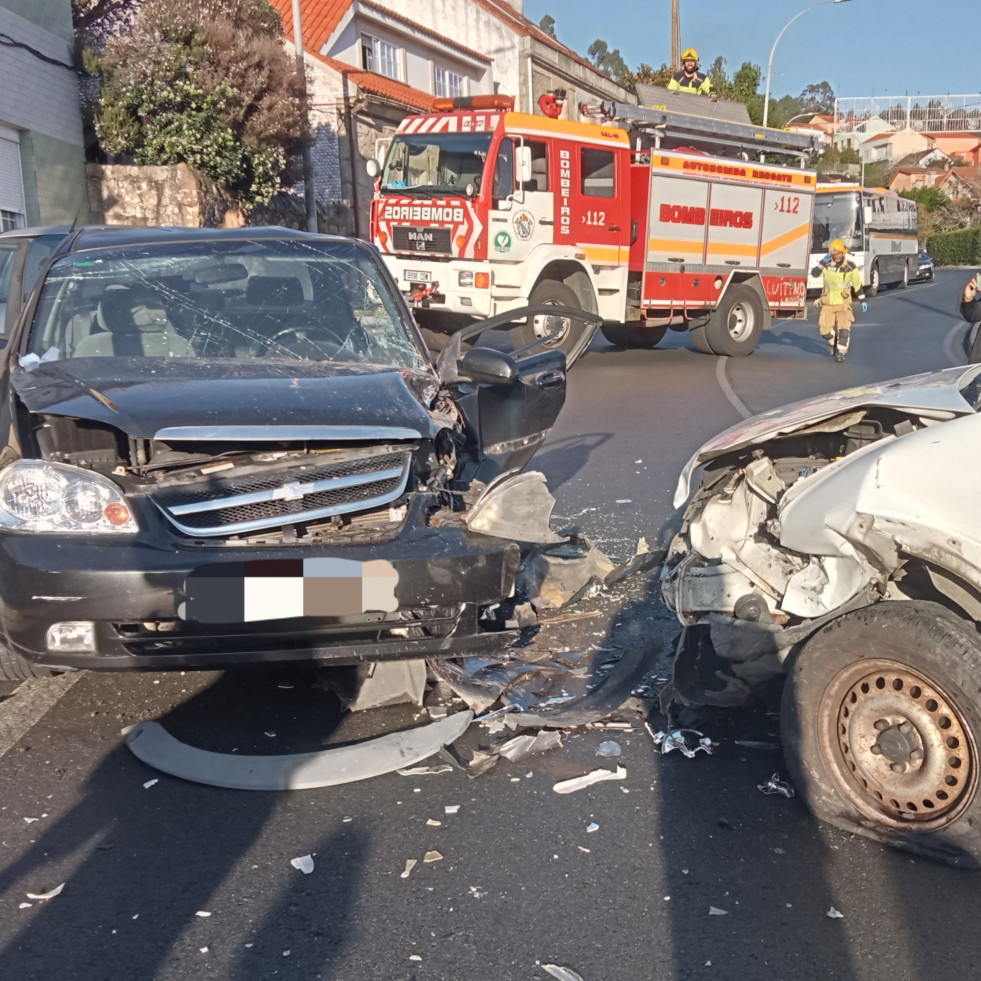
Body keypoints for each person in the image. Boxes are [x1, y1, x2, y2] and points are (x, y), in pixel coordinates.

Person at [813, 238, 866, 363]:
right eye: (834, 254)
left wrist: (862, 300)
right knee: (824, 331)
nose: (836, 256)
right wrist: (821, 263)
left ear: (843, 253)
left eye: (838, 254)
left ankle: (841, 353)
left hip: (843, 302)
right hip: (828, 302)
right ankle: (832, 340)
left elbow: (857, 284)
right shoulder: (826, 265)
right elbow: (814, 273)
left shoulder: (850, 267)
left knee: (844, 329)